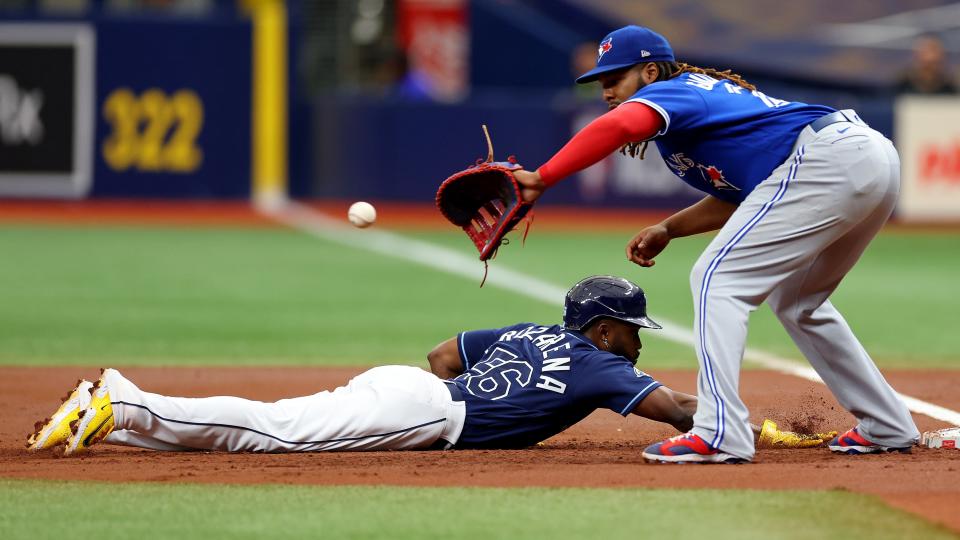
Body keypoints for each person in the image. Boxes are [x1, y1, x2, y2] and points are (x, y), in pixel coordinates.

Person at [510, 25, 920, 463]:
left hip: (827, 160)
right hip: (858, 159)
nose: (607, 92)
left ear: (650, 72)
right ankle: (886, 424)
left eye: (615, 80)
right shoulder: (688, 112)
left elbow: (623, 123)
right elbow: (743, 195)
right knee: (799, 303)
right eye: (602, 84)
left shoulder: (676, 90)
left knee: (716, 278)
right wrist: (669, 228)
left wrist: (542, 176)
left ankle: (719, 431)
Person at [27, 276, 828, 456]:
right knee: (275, 434)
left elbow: (442, 354)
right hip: (429, 414)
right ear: (602, 327)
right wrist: (760, 428)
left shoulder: (527, 329)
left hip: (412, 386)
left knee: (283, 429)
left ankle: (117, 430)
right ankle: (127, 402)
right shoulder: (597, 368)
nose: (640, 343)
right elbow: (686, 415)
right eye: (632, 330)